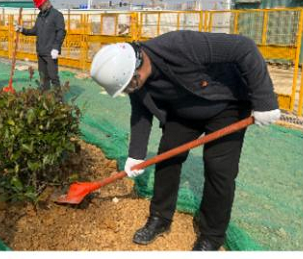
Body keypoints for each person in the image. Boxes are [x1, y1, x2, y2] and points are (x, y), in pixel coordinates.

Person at [89, 32, 281, 251]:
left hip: (226, 105)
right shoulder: (134, 79)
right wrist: (136, 154)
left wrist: (265, 100)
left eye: (129, 87)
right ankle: (160, 217)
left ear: (136, 68)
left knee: (219, 169)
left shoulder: (180, 46)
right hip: (183, 112)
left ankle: (212, 235)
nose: (130, 91)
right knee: (167, 157)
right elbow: (141, 112)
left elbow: (244, 47)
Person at [19, 0, 65, 94]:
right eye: (38, 6)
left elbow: (61, 32)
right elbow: (35, 30)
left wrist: (56, 48)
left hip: (50, 53)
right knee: (43, 77)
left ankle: (58, 99)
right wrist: (23, 30)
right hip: (40, 51)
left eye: (40, 6)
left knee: (53, 77)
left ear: (46, 2)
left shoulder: (57, 15)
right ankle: (45, 97)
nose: (39, 8)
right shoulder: (40, 16)